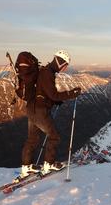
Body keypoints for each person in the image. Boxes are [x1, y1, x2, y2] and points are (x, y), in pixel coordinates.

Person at [18, 50, 81, 180]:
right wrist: (71, 93)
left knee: (32, 139)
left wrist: (56, 101)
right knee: (54, 136)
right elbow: (53, 94)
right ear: (60, 62)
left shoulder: (44, 71)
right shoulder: (47, 73)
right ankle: (49, 164)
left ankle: (26, 167)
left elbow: (44, 92)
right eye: (65, 65)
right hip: (40, 111)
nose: (66, 68)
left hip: (31, 108)